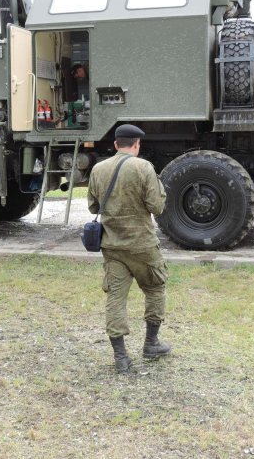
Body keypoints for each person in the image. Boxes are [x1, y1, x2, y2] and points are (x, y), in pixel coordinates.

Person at [87, 124, 169, 374]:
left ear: (115, 145)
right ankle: (151, 344)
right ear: (137, 145)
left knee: (115, 299)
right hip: (142, 245)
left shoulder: (98, 169)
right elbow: (157, 207)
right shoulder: (143, 167)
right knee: (155, 288)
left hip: (112, 246)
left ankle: (121, 359)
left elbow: (93, 207)